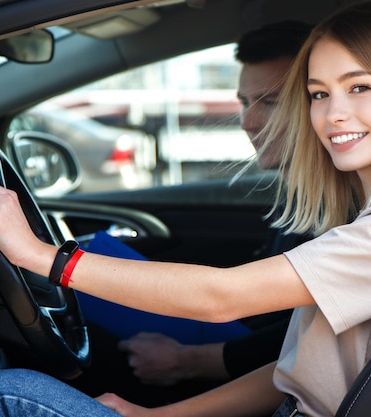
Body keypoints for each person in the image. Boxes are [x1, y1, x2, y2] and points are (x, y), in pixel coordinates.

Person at [0, 0, 371, 415]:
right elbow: (290, 377)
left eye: (359, 88)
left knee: (7, 395)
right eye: (318, 94)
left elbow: (219, 298)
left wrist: (42, 256)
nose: (334, 114)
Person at [117, 19, 313, 389]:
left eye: (269, 102)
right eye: (243, 102)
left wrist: (184, 362)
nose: (248, 122)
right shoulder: (301, 195)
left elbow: (296, 344)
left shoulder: (350, 213)